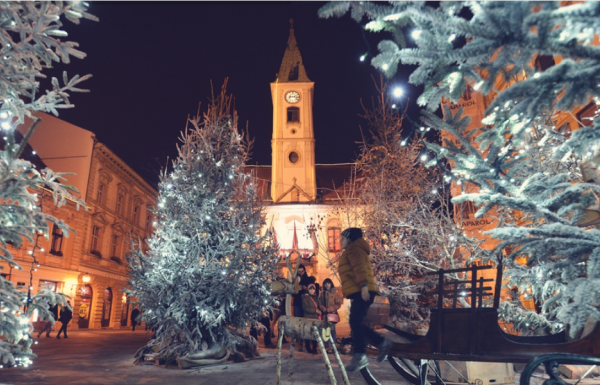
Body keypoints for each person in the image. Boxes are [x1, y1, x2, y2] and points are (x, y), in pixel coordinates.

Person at [338, 228, 392, 372]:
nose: (339, 241)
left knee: (355, 322)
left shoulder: (354, 249)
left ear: (349, 239)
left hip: (362, 290)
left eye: (342, 238)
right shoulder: (354, 249)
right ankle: (380, 344)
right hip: (359, 290)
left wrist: (363, 287)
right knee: (356, 322)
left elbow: (359, 268)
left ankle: (361, 354)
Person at [319, 278, 342, 354]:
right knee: (325, 331)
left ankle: (333, 347)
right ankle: (326, 347)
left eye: (328, 283)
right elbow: (319, 303)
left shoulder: (334, 294)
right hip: (325, 315)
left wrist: (331, 308)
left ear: (331, 284)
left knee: (332, 331)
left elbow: (338, 304)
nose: (327, 285)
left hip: (332, 314)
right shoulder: (322, 294)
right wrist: (323, 308)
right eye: (325, 284)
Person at [301, 283, 321, 354]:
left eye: (313, 289)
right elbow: (305, 308)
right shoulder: (305, 297)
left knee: (315, 334)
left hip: (315, 318)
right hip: (308, 318)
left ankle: (314, 348)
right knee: (308, 333)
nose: (312, 291)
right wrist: (315, 311)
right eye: (310, 289)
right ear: (308, 290)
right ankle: (308, 347)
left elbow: (319, 305)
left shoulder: (316, 297)